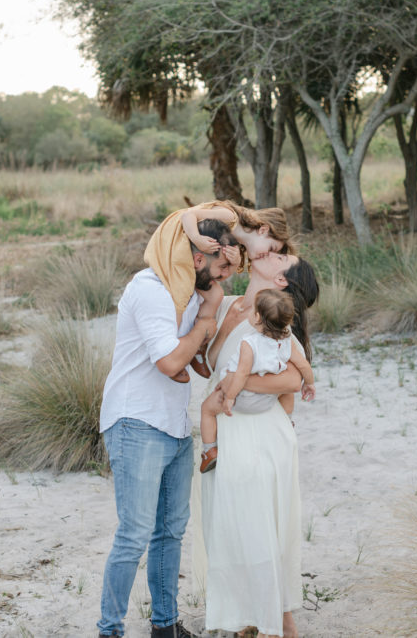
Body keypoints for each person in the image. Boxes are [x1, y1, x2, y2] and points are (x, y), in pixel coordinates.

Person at [97, 219, 237, 638]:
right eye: (222, 267)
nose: (226, 276)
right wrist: (207, 316)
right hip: (135, 421)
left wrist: (213, 314)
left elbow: (197, 364)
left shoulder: (191, 293)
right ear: (197, 258)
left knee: (170, 531)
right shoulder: (151, 289)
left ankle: (165, 626)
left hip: (174, 426)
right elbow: (172, 363)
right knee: (134, 533)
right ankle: (110, 631)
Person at [196, 251, 319, 638]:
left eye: (281, 256)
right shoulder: (232, 306)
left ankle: (276, 616)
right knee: (234, 528)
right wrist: (225, 326)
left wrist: (236, 386)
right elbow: (213, 361)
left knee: (263, 525)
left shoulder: (277, 327)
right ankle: (250, 613)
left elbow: (289, 383)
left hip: (258, 431)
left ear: (281, 280)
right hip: (233, 429)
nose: (270, 253)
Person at [198, 288, 316, 473]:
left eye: (253, 311)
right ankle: (287, 420)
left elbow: (242, 374)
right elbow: (303, 366)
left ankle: (209, 450)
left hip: (243, 399)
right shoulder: (286, 341)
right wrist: (309, 384)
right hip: (268, 399)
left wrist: (229, 397)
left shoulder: (249, 343)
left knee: (207, 409)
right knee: (286, 391)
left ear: (258, 319)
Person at [144, 200, 294, 323]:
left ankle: (198, 334)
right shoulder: (229, 217)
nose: (268, 255)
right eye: (271, 248)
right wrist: (197, 239)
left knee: (215, 295)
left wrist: (234, 264)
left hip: (192, 253)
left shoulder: (235, 245)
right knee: (181, 293)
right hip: (176, 238)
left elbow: (219, 274)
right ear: (263, 230)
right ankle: (171, 340)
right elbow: (188, 215)